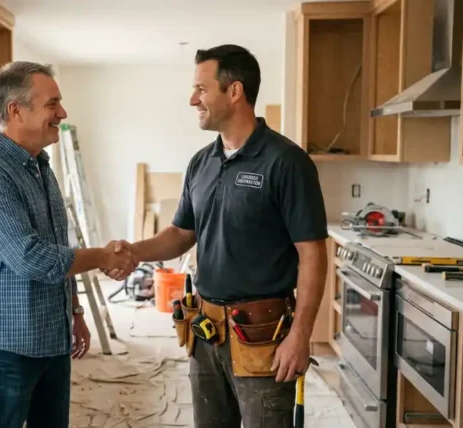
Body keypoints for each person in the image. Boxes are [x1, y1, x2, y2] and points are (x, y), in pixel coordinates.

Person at [105, 45, 328, 427]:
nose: (193, 99)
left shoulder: (286, 162)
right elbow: (180, 233)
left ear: (235, 91)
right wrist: (132, 251)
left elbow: (312, 254)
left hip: (262, 334)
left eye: (201, 89)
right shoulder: (201, 162)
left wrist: (301, 336)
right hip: (206, 331)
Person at [0, 61, 138, 428]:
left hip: (50, 337)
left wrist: (74, 311)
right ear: (16, 110)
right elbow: (33, 258)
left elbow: (58, 244)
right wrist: (104, 256)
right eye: (52, 104)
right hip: (7, 348)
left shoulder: (40, 166)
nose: (63, 112)